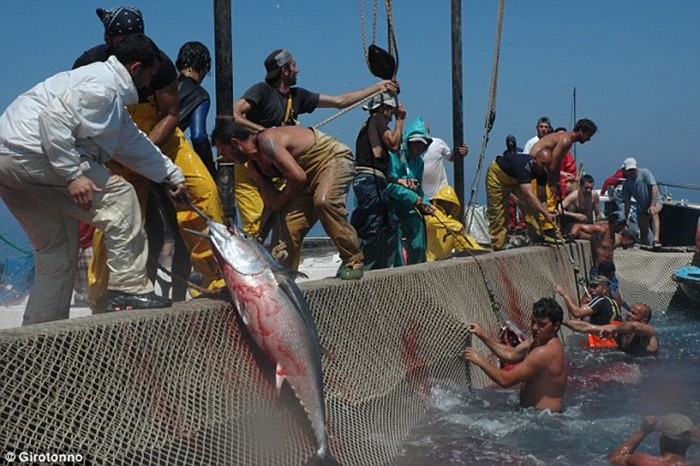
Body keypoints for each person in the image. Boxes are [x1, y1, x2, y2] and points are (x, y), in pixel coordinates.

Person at [0, 34, 185, 325]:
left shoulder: (108, 97)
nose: (151, 84)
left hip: (8, 160)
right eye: (149, 74)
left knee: (58, 253)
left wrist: (171, 176)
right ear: (135, 68)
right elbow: (53, 120)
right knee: (120, 197)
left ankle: (43, 334)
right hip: (32, 153)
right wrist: (73, 174)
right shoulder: (104, 88)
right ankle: (129, 288)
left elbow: (134, 145)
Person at [74, 6, 227, 307]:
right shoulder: (88, 64)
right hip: (115, 144)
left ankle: (216, 280)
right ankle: (102, 296)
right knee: (117, 213)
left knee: (205, 192)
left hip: (162, 138)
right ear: (108, 39)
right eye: (124, 40)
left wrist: (147, 155)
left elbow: (171, 114)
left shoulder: (162, 65)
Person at [232, 48, 398, 238]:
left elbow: (340, 101)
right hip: (251, 168)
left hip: (277, 166)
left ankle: (279, 265)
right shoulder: (261, 91)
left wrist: (378, 87)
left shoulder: (297, 97)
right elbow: (235, 113)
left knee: (283, 226)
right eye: (294, 65)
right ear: (284, 70)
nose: (298, 70)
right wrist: (264, 132)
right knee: (256, 226)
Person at [211, 118, 364, 279]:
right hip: (303, 180)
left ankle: (353, 260)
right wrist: (257, 241)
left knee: (323, 201)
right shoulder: (254, 168)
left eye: (223, 152)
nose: (225, 158)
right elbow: (270, 204)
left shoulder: (267, 141)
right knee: (286, 225)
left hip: (331, 159)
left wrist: (281, 198)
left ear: (236, 144)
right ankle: (281, 277)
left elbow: (297, 177)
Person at [463, 297, 568, 412]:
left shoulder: (545, 352)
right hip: (533, 415)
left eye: (541, 324)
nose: (534, 328)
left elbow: (505, 380)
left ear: (556, 326)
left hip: (544, 419)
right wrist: (483, 336)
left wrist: (479, 360)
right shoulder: (538, 339)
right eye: (533, 322)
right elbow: (512, 354)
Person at [350, 92, 405, 270]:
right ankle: (358, 270)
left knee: (389, 225)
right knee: (371, 229)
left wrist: (399, 181)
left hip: (371, 181)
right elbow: (394, 144)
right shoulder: (378, 118)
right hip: (369, 182)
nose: (389, 121)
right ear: (384, 109)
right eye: (391, 113)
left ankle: (379, 271)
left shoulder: (369, 126)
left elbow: (376, 161)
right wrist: (400, 121)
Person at [529, 118, 598, 240]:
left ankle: (545, 230)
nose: (589, 139)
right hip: (537, 168)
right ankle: (546, 231)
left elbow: (556, 163)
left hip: (540, 169)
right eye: (589, 135)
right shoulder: (566, 140)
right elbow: (553, 164)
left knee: (548, 199)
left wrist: (557, 182)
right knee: (547, 200)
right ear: (581, 131)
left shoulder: (566, 139)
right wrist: (554, 184)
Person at [485, 146, 556, 251]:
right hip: (498, 177)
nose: (545, 167)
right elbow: (529, 195)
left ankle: (536, 237)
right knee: (498, 212)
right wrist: (546, 214)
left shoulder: (542, 172)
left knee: (531, 208)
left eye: (548, 165)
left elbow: (541, 197)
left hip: (516, 180)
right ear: (535, 159)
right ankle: (498, 245)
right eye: (543, 164)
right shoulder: (523, 168)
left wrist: (547, 213)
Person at [386, 116, 435, 265]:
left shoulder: (419, 162)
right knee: (395, 245)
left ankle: (417, 269)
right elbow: (389, 185)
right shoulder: (394, 156)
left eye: (422, 144)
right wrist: (412, 197)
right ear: (408, 141)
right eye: (414, 143)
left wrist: (425, 203)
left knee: (418, 231)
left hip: (408, 207)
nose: (417, 147)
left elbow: (418, 189)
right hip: (391, 206)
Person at [176, 41, 216, 178]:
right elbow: (198, 137)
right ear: (205, 68)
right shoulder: (200, 95)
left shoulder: (164, 85)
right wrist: (210, 170)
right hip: (164, 153)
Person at [563, 302, 658, 356]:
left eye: (634, 313)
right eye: (629, 311)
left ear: (643, 320)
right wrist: (560, 320)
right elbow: (586, 327)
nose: (628, 314)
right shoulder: (620, 330)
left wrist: (614, 329)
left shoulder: (649, 334)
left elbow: (634, 326)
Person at [556, 275, 622, 347]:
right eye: (590, 286)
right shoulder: (613, 303)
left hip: (599, 343)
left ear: (604, 289)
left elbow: (577, 313)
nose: (591, 289)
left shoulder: (600, 299)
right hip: (611, 344)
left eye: (595, 286)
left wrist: (564, 294)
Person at [609, 413, 700, 465]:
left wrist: (642, 431)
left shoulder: (641, 461)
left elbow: (614, 459)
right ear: (689, 442)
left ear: (662, 438)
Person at [425, 184, 483, 261]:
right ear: (439, 201)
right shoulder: (431, 213)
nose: (449, 205)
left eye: (451, 203)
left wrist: (483, 252)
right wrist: (456, 226)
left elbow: (464, 241)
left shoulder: (454, 225)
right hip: (426, 261)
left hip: (442, 263)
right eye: (445, 202)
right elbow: (430, 221)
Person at [569, 211, 635, 272]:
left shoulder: (614, 235)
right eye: (622, 225)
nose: (622, 228)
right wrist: (573, 235)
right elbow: (579, 226)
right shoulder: (601, 229)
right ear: (616, 223)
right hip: (599, 271)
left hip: (609, 271)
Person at [621, 157, 663, 247]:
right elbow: (627, 202)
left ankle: (656, 239)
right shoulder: (627, 183)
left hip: (655, 201)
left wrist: (652, 204)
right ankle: (645, 244)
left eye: (633, 169)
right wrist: (626, 217)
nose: (632, 172)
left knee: (653, 212)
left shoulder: (645, 173)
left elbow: (654, 187)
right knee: (643, 229)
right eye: (630, 170)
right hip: (641, 205)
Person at [421, 132, 469, 201]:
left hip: (439, 193)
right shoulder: (410, 147)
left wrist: (462, 151)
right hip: (420, 195)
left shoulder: (438, 143)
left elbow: (451, 157)